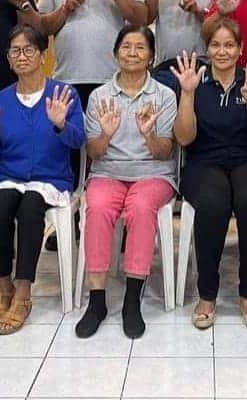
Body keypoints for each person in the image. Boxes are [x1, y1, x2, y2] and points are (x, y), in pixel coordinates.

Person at [38, 0, 147, 252]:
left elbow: (140, 19)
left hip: (112, 82)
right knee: (69, 156)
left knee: (113, 153)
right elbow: (44, 30)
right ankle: (66, 223)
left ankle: (126, 221)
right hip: (67, 80)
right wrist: (65, 8)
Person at [0, 25, 86, 335]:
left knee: (30, 207)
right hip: (8, 176)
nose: (22, 56)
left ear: (43, 56)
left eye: (29, 50)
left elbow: (79, 141)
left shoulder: (64, 94)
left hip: (49, 179)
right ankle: (3, 287)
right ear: (8, 58)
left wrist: (61, 124)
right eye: (15, 51)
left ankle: (24, 292)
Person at [76, 25, 177, 340]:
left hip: (153, 173)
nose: (132, 53)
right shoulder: (99, 97)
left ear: (151, 56)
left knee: (141, 209)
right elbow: (93, 151)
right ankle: (97, 302)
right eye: (126, 47)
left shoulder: (164, 95)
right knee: (98, 208)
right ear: (115, 53)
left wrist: (148, 134)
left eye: (140, 48)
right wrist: (105, 133)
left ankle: (133, 301)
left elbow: (165, 153)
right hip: (107, 171)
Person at [172, 18, 247, 331]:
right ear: (207, 49)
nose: (222, 51)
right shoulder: (195, 83)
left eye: (229, 44)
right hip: (204, 162)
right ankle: (207, 294)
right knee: (213, 203)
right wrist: (187, 94)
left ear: (241, 49)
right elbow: (184, 138)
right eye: (215, 45)